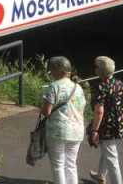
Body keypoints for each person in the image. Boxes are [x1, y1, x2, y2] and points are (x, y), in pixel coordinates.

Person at [40, 55, 86, 184]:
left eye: (51, 70)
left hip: (58, 131)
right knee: (71, 164)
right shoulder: (78, 87)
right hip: (77, 130)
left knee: (58, 165)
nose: (50, 73)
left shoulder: (54, 86)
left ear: (58, 71)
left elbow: (46, 111)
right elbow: (82, 108)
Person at [89, 56, 123, 184]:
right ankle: (100, 175)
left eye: (96, 66)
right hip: (119, 124)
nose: (94, 68)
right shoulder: (119, 83)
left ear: (100, 71)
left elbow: (99, 111)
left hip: (106, 127)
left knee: (112, 158)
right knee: (107, 150)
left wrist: (94, 130)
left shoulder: (102, 86)